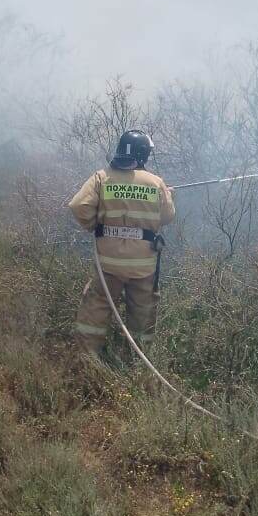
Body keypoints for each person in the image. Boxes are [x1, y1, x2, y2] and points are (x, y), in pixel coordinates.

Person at [68, 129, 175, 358]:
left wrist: (96, 226)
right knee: (142, 312)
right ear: (144, 154)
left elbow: (79, 206)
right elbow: (167, 217)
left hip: (108, 264)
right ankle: (137, 361)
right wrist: (166, 196)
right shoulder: (156, 183)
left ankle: (87, 359)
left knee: (96, 307)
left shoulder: (101, 177)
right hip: (143, 266)